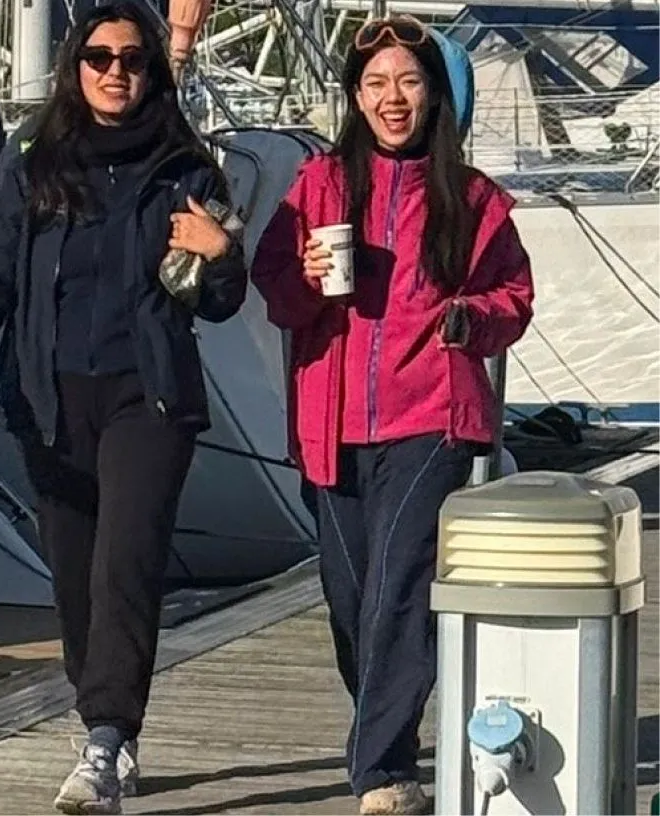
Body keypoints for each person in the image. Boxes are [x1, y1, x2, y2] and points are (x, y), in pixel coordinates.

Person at [0, 2, 246, 813]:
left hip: (149, 397)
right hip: (49, 398)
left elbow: (218, 304)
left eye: (132, 59)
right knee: (75, 581)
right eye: (98, 57)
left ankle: (105, 738)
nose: (115, 72)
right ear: (75, 67)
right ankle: (106, 724)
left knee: (124, 566)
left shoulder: (185, 168)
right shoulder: (36, 161)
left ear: (150, 71)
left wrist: (222, 254)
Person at [251, 16, 533, 816]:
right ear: (354, 97)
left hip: (431, 418)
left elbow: (513, 299)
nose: (392, 98)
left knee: (396, 591)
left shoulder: (473, 198)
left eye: (407, 81)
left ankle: (381, 772)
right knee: (350, 604)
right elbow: (275, 292)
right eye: (375, 84)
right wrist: (307, 277)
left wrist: (469, 319)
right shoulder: (318, 187)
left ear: (432, 94)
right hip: (330, 424)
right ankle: (391, 731)